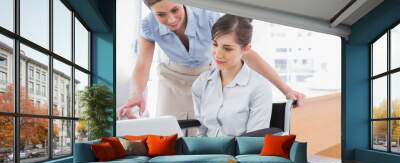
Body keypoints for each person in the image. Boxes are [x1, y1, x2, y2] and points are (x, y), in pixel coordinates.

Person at [118, 0, 305, 120]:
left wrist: (286, 89)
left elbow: (245, 54)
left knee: (207, 127)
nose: (172, 19)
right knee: (168, 130)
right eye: (161, 14)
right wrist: (135, 94)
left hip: (206, 76)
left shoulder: (207, 16)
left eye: (175, 9)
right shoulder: (148, 26)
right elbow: (143, 65)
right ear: (151, 12)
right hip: (172, 77)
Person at [192, 15, 271, 137]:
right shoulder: (202, 82)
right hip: (206, 152)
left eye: (227, 49)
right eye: (215, 44)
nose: (218, 54)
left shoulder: (259, 87)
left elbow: (254, 142)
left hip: (237, 154)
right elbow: (201, 132)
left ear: (246, 48)